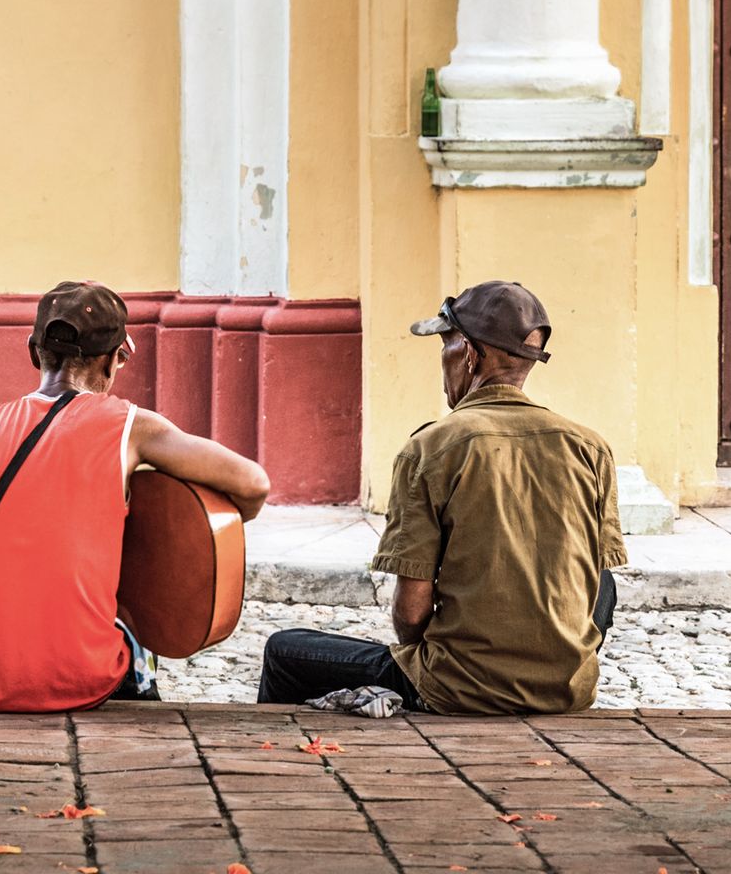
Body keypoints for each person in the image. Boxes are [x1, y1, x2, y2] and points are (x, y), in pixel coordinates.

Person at [0, 280, 271, 712]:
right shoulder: (132, 428)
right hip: (89, 681)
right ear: (115, 359)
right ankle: (138, 688)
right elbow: (253, 485)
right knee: (129, 612)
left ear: (34, 352)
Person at [255, 280, 627, 715]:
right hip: (568, 689)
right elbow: (601, 582)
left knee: (286, 650)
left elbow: (411, 611)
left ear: (469, 354)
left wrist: (439, 659)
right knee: (605, 579)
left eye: (445, 346)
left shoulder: (431, 447)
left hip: (458, 687)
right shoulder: (589, 446)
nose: (443, 361)